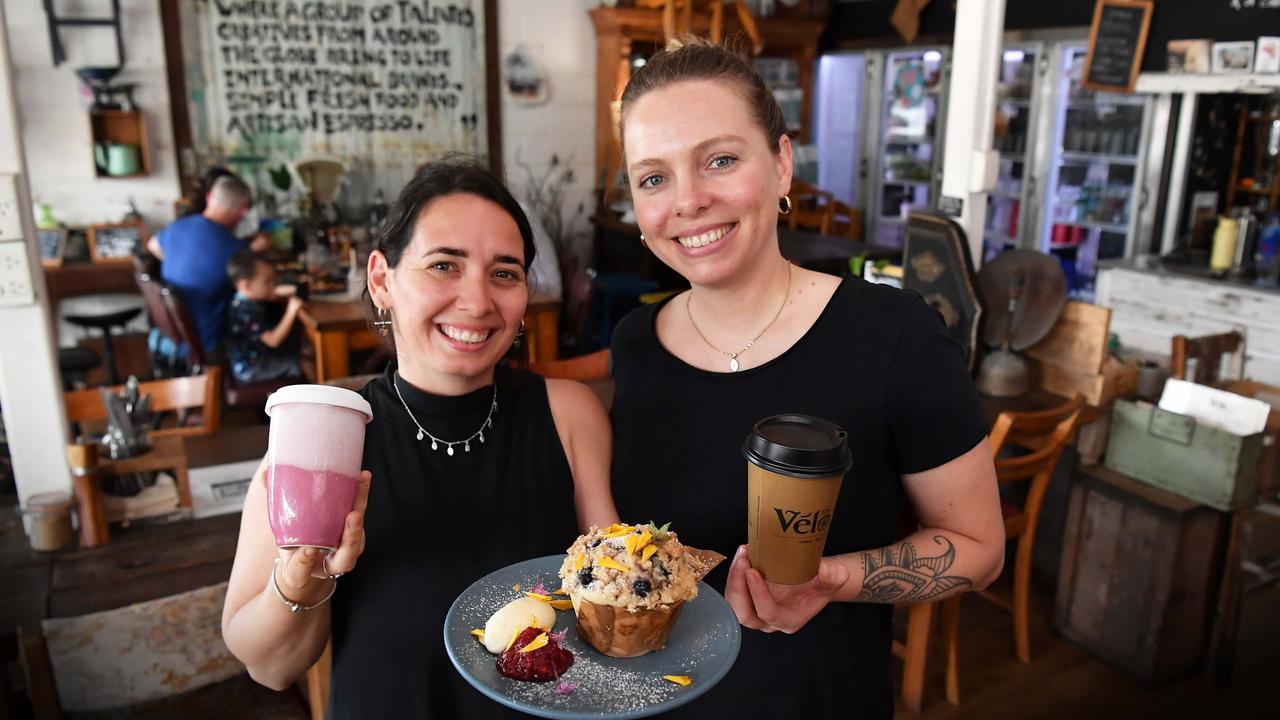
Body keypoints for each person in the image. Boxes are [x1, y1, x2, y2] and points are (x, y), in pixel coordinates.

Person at [609, 38, 1005, 719]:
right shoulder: (635, 345)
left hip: (817, 699)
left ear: (783, 164)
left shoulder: (894, 332)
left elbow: (979, 547)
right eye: (654, 178)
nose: (689, 200)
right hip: (656, 700)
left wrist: (835, 580)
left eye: (720, 160)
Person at [222, 160, 618, 718]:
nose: (478, 302)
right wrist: (300, 587)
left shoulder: (567, 414)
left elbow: (614, 601)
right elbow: (269, 667)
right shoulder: (327, 439)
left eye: (504, 273)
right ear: (382, 279)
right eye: (444, 266)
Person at [148, 175, 269, 354]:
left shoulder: (177, 227)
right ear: (242, 211)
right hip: (205, 344)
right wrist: (257, 248)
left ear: (209, 198)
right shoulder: (234, 249)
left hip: (167, 337)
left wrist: (183, 260)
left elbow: (152, 244)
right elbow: (260, 288)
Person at [224, 251, 304, 383]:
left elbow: (272, 293)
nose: (274, 285)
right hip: (251, 369)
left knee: (301, 348)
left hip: (257, 359)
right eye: (268, 282)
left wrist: (279, 292)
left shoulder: (241, 302)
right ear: (247, 285)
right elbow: (273, 341)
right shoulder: (244, 312)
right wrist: (291, 311)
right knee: (299, 364)